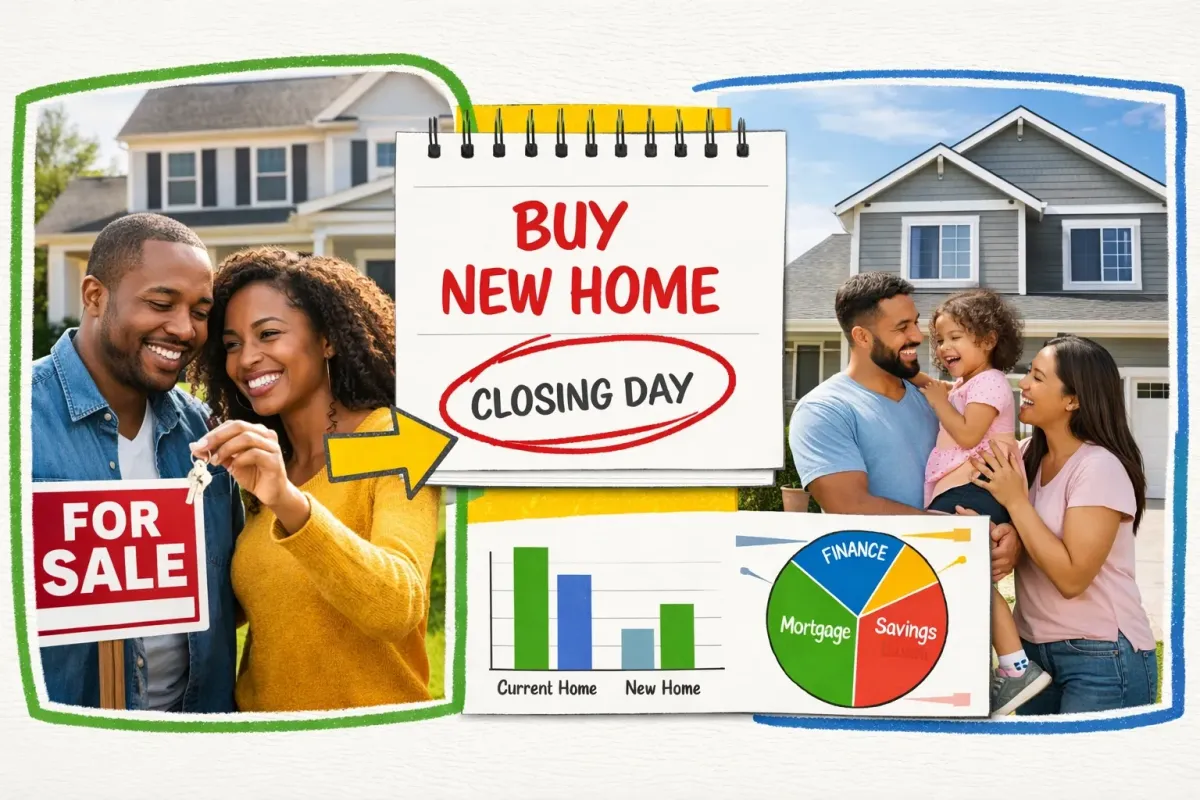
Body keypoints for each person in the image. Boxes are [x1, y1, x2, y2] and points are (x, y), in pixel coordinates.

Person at [186, 247, 440, 712]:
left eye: (269, 334)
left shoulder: (395, 437)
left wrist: (288, 501)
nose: (247, 360)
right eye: (233, 343)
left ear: (327, 340)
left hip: (367, 753)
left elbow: (396, 608)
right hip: (262, 752)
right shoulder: (257, 466)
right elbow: (238, 608)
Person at [31, 213, 243, 712]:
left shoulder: (206, 432)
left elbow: (228, 596)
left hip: (197, 740)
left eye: (199, 311)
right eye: (161, 303)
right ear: (94, 296)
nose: (183, 328)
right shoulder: (16, 419)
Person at [787, 271, 1023, 586]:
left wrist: (1010, 534)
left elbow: (991, 473)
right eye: (902, 327)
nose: (919, 336)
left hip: (955, 585)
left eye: (915, 322)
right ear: (862, 337)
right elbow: (849, 506)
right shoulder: (824, 410)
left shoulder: (939, 399)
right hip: (873, 593)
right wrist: (962, 531)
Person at [967, 335, 1158, 714]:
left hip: (1101, 656)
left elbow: (1072, 578)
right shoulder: (1024, 456)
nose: (1024, 384)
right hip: (1032, 654)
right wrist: (1008, 539)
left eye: (1038, 378)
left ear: (1073, 400)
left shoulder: (1098, 467)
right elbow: (1028, 533)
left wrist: (1016, 502)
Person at [912, 289, 1050, 716]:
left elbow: (970, 435)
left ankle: (1015, 668)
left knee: (968, 580)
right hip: (967, 488)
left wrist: (935, 397)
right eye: (940, 339)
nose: (945, 347)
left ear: (988, 340)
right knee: (970, 581)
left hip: (975, 489)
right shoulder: (965, 384)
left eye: (956, 336)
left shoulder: (989, 382)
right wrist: (926, 383)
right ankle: (1002, 665)